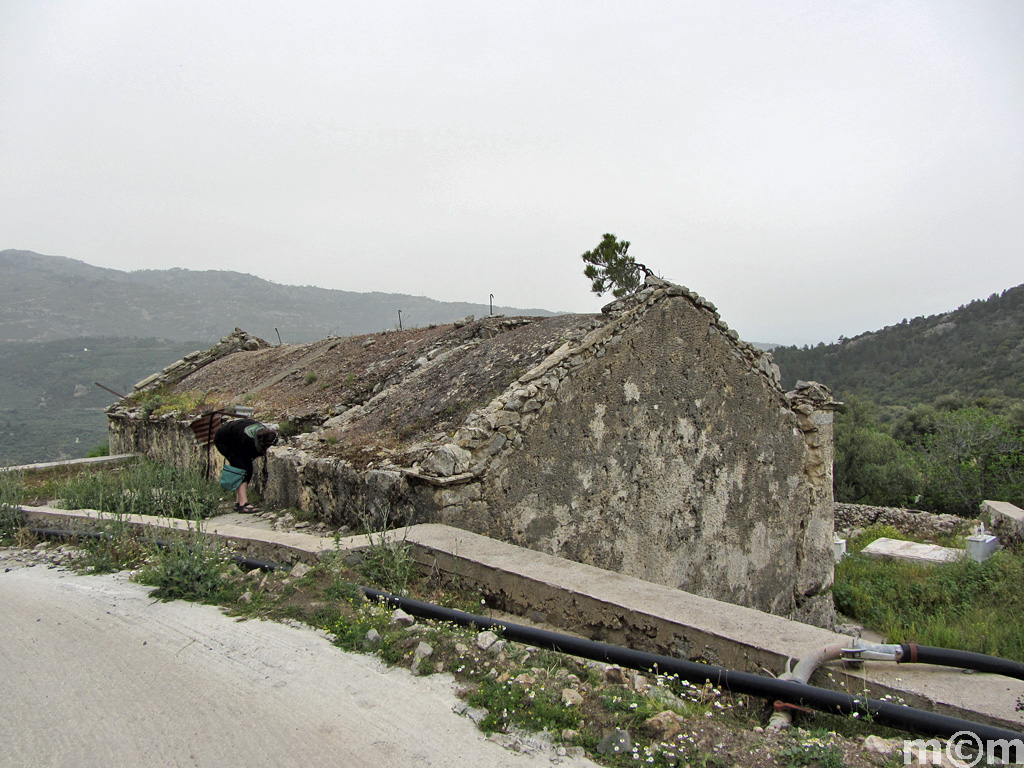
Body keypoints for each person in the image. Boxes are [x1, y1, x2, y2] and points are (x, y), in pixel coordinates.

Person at [212, 418, 278, 512]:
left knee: (247, 468)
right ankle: (243, 505)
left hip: (233, 435)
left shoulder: (262, 433)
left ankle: (239, 502)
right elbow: (241, 461)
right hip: (223, 441)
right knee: (243, 468)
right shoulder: (246, 440)